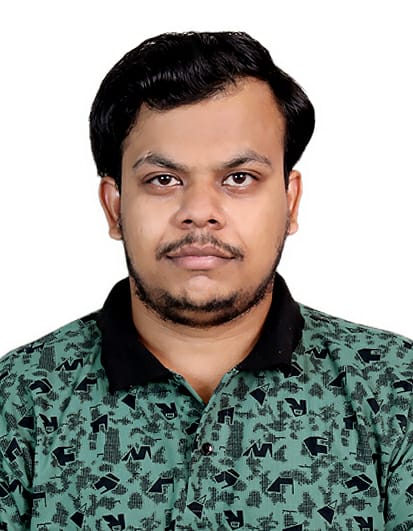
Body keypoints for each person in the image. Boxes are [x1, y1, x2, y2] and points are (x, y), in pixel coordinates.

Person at [0, 30, 412, 531]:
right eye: (164, 180)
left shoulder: (396, 389)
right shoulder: (18, 399)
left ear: (290, 201)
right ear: (114, 207)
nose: (199, 212)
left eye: (239, 178)